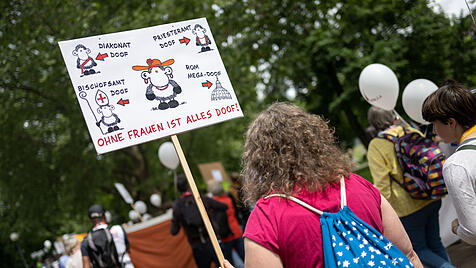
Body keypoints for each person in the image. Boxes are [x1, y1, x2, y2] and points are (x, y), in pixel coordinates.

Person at [226, 102, 422, 268]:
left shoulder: (266, 217)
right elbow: (409, 255)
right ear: (315, 141)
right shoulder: (358, 185)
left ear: (260, 160)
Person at [366, 106, 454, 268]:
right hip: (431, 195)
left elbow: (383, 185)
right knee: (435, 243)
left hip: (407, 208)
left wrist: (383, 213)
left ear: (373, 123)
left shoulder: (376, 145)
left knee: (419, 250)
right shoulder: (410, 130)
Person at [422, 80, 476, 245]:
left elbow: (473, 231)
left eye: (434, 124)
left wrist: (457, 228)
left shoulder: (456, 164)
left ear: (451, 122)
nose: (434, 131)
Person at [170, 174, 228, 268]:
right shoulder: (201, 199)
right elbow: (224, 207)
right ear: (189, 184)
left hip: (197, 247)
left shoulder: (178, 206)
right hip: (212, 241)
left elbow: (173, 231)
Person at [208, 181, 245, 266]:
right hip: (236, 231)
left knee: (229, 261)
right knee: (244, 256)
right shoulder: (228, 199)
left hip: (225, 235)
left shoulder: (214, 204)